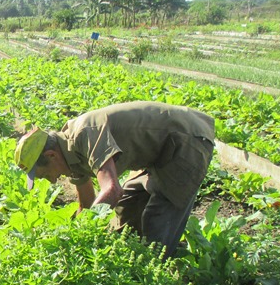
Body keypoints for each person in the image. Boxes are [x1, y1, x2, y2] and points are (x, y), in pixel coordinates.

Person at [15, 100, 215, 257]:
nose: (51, 181)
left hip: (187, 139)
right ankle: (130, 261)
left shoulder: (83, 134)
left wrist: (84, 233)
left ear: (51, 156)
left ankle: (155, 279)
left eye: (45, 175)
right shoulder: (68, 158)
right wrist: (71, 232)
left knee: (157, 221)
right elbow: (86, 205)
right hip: (157, 153)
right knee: (128, 205)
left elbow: (111, 189)